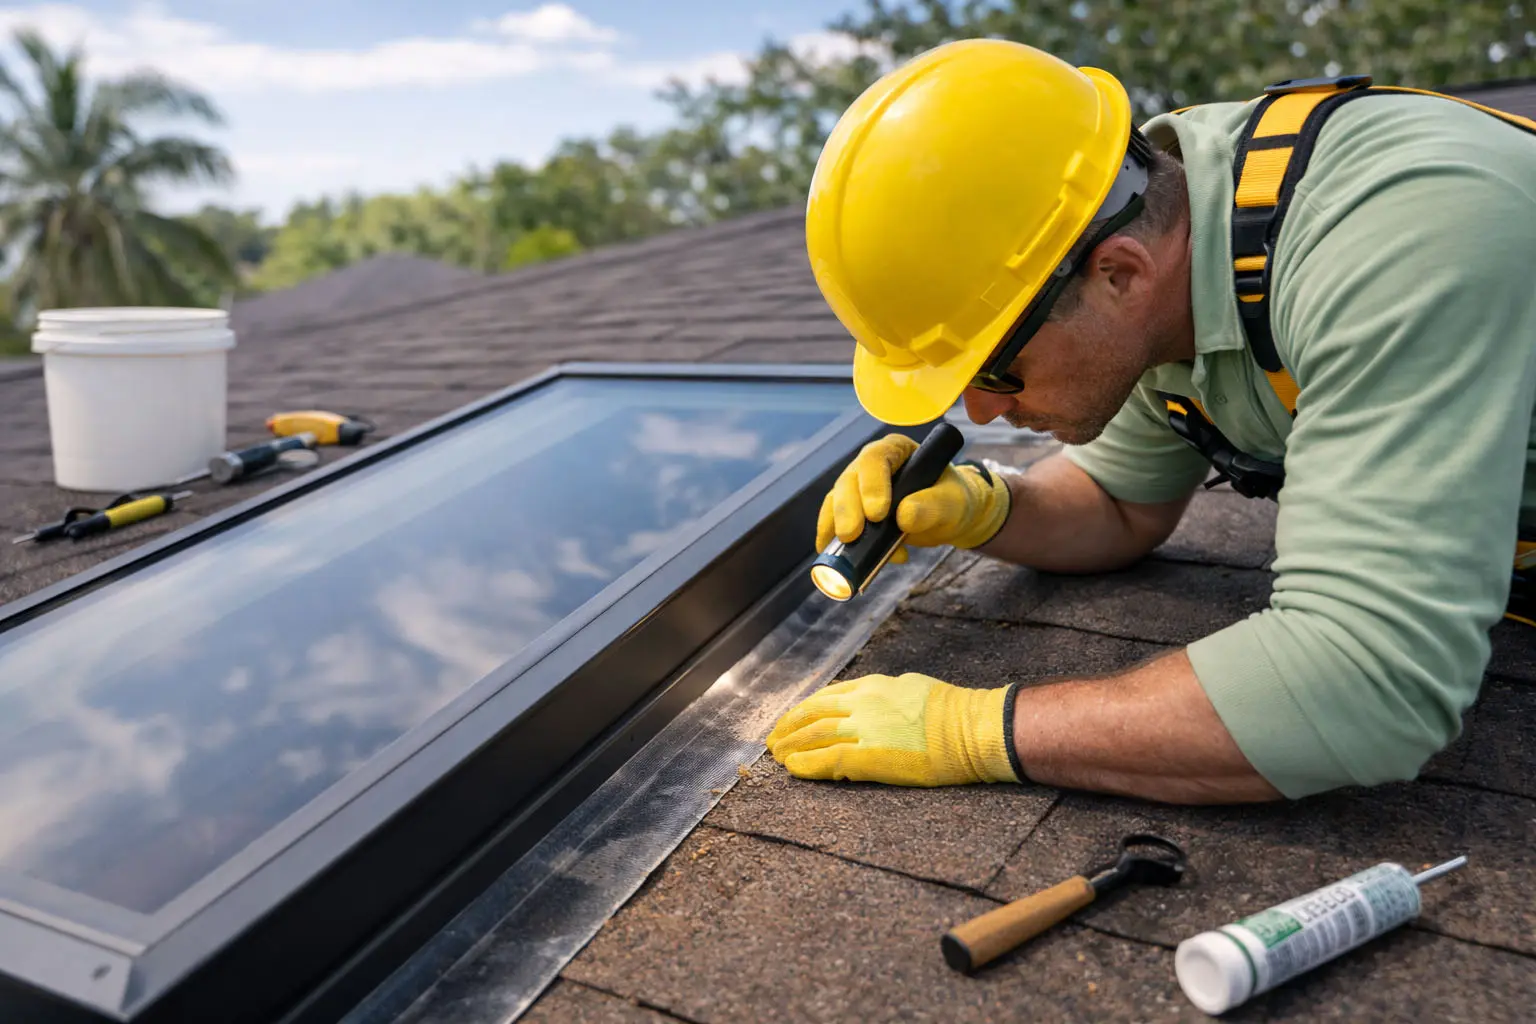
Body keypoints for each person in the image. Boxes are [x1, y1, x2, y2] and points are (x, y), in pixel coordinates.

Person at [764, 37, 1536, 804]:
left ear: (1121, 274)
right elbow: (1118, 504)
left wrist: (969, 732)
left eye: (994, 370)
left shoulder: (1392, 240)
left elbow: (1366, 681)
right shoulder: (1161, 243)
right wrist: (982, 507)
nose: (983, 410)